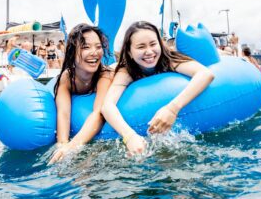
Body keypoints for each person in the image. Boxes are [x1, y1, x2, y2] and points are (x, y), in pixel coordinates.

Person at [102, 21, 214, 157]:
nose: (149, 52)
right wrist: (130, 137)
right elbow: (107, 106)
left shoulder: (169, 60)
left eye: (153, 44)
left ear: (160, 44)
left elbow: (206, 74)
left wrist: (172, 109)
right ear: (129, 52)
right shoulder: (126, 71)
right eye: (141, 47)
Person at [49, 24, 113, 163]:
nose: (94, 52)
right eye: (86, 47)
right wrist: (62, 145)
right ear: (73, 52)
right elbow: (63, 114)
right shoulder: (67, 78)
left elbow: (99, 113)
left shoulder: (105, 75)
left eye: (98, 46)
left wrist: (73, 145)